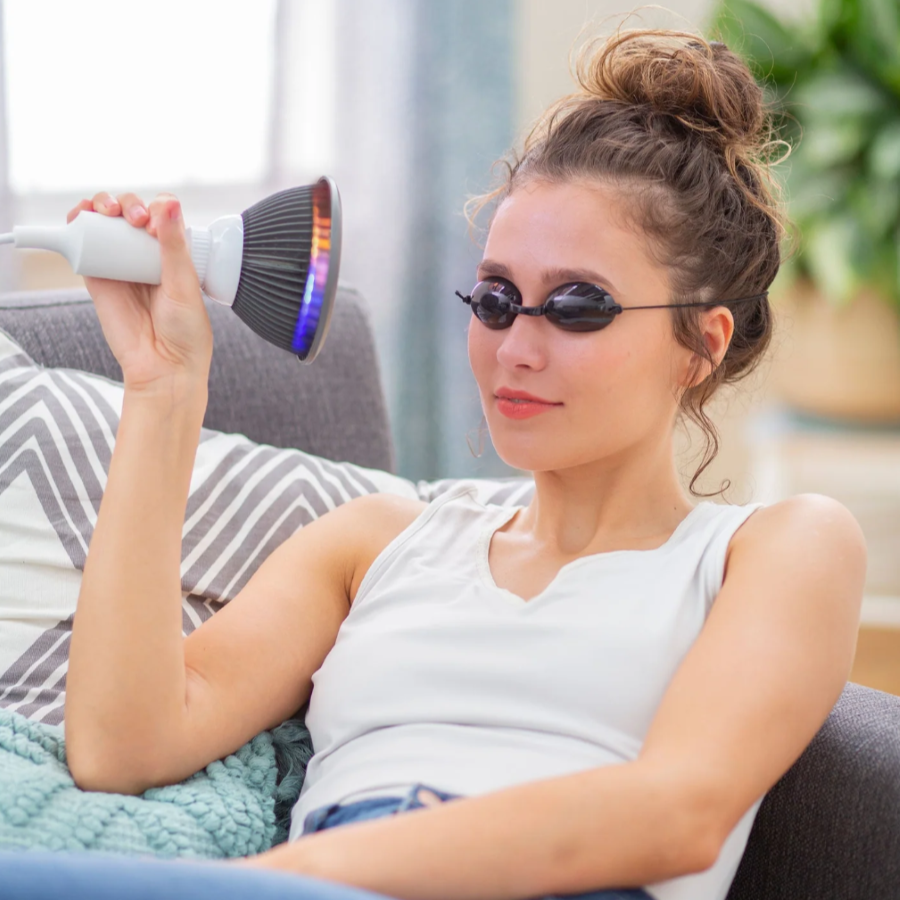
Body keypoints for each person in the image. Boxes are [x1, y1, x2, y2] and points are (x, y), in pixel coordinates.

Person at [2, 27, 866, 900]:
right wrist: (163, 389)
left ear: (700, 345)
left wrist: (285, 876)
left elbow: (674, 814)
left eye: (577, 306)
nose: (515, 349)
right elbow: (124, 749)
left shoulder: (775, 548)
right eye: (495, 299)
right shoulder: (374, 545)